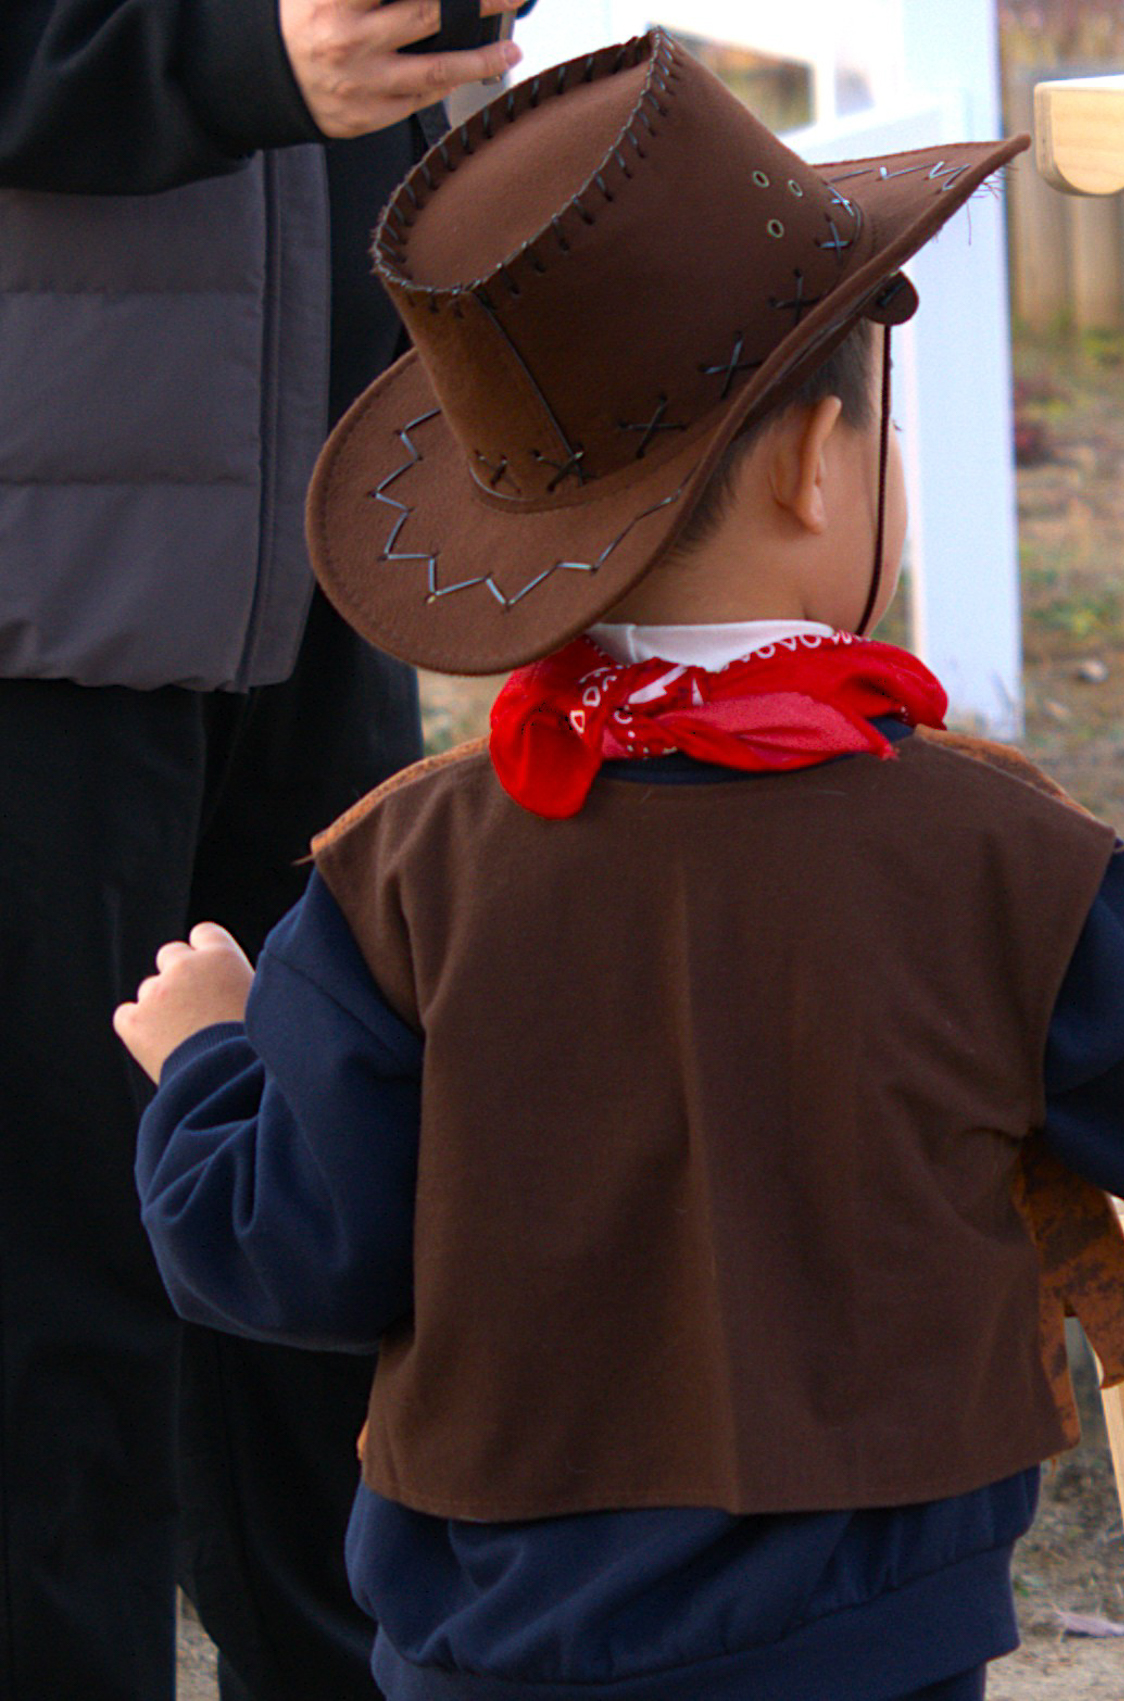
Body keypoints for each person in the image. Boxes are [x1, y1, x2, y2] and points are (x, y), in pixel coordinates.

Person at [106, 32, 1124, 1701]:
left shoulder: (395, 876)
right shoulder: (992, 858)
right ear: (822, 472)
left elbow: (281, 1248)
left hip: (490, 1651)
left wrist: (210, 1063)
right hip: (867, 1657)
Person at [0, 3, 519, 1696]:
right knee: (56, 1289)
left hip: (316, 557)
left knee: (325, 1233)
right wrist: (220, 58)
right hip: (34, 599)